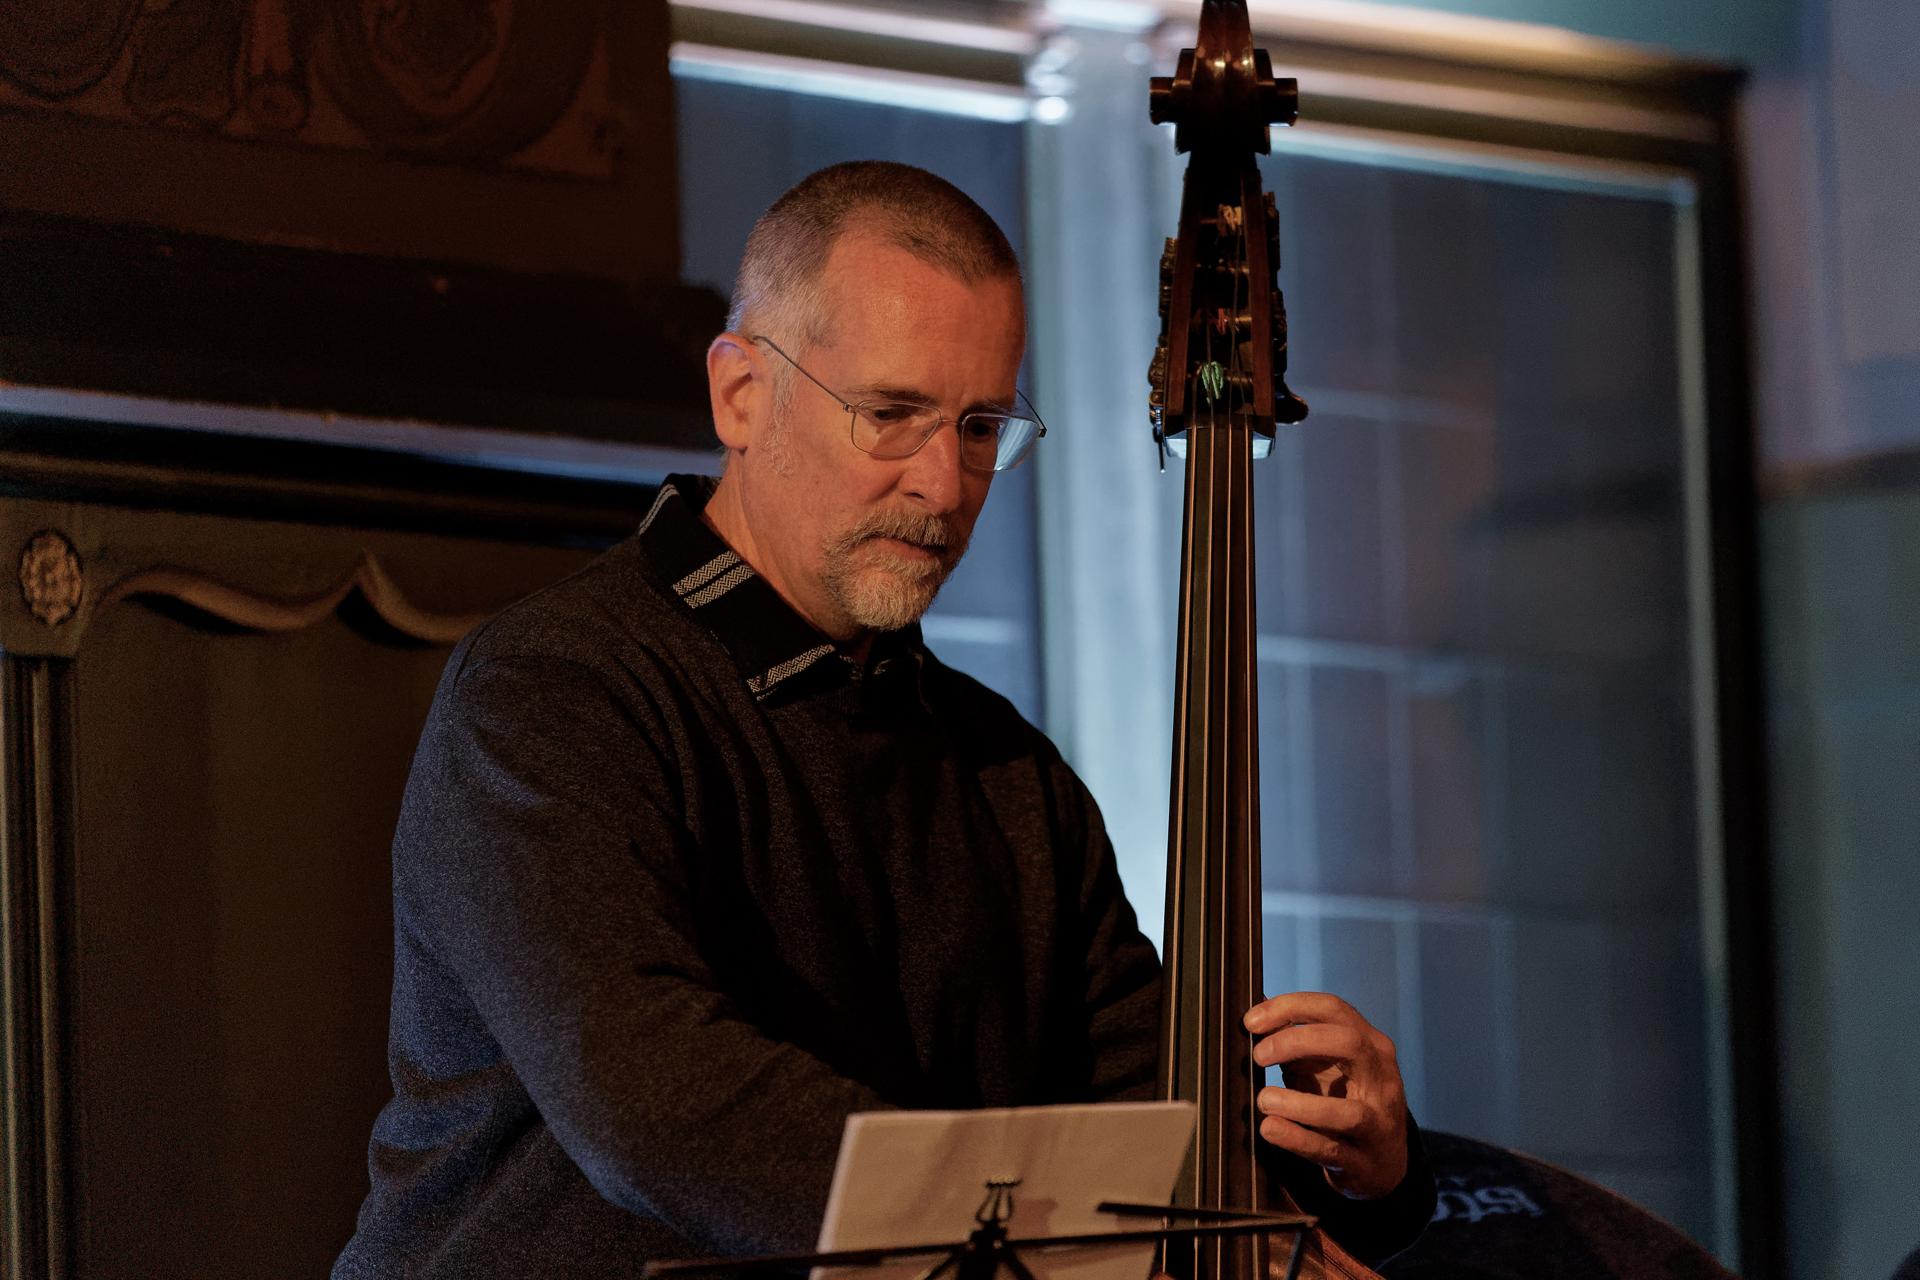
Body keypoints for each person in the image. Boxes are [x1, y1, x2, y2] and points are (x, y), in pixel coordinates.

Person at [334, 161, 1435, 1280]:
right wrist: (1034, 1218)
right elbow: (658, 1106)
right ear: (740, 394)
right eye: (891, 416)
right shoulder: (553, 689)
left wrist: (1358, 1172)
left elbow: (1153, 1132)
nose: (944, 485)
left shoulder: (1010, 774)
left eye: (980, 426)